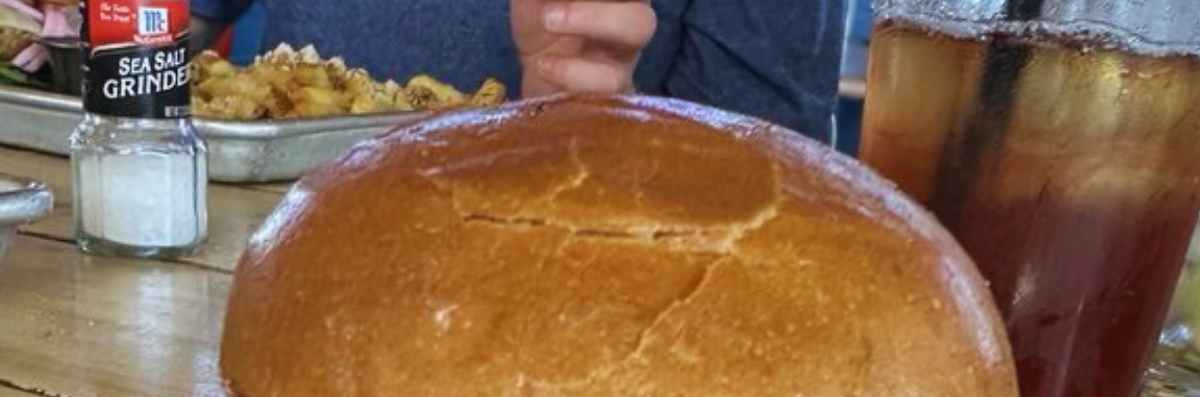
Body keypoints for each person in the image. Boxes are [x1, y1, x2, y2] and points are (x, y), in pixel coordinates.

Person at [191, 0, 848, 142]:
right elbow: (147, 26)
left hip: (585, 338)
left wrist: (594, 118)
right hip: (249, 286)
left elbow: (766, 190)